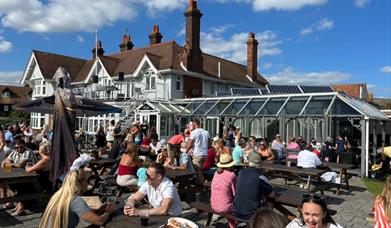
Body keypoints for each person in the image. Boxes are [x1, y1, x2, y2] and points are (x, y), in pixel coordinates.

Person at [39, 168, 116, 228]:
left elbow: (74, 210)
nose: (88, 184)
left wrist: (98, 210)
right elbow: (99, 221)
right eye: (87, 181)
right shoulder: (75, 200)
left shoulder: (58, 195)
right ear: (80, 183)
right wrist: (108, 211)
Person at [234, 152, 275, 220]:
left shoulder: (241, 172)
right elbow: (272, 195)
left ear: (249, 162)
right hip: (252, 215)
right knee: (270, 203)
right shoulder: (260, 177)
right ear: (260, 164)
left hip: (237, 211)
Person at [211, 154, 237, 228]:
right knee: (236, 202)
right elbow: (235, 193)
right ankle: (234, 224)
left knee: (225, 200)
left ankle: (233, 224)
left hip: (213, 205)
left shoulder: (216, 173)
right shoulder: (232, 175)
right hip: (225, 208)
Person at [186, 118, 210, 185]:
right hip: (205, 154)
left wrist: (185, 151)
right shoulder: (206, 132)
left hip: (197, 154)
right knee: (200, 170)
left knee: (197, 170)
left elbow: (190, 144)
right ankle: (200, 184)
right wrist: (205, 149)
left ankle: (202, 184)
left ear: (194, 124)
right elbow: (210, 143)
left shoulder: (194, 132)